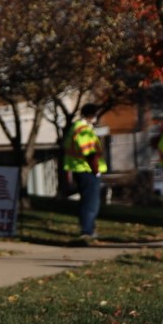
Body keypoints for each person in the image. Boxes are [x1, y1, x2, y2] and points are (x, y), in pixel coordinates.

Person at [63, 103, 107, 243]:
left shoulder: (77, 128)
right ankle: (87, 231)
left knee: (88, 200)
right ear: (91, 115)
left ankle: (89, 229)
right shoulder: (83, 130)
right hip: (86, 169)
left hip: (80, 168)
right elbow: (89, 153)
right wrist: (96, 170)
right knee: (91, 202)